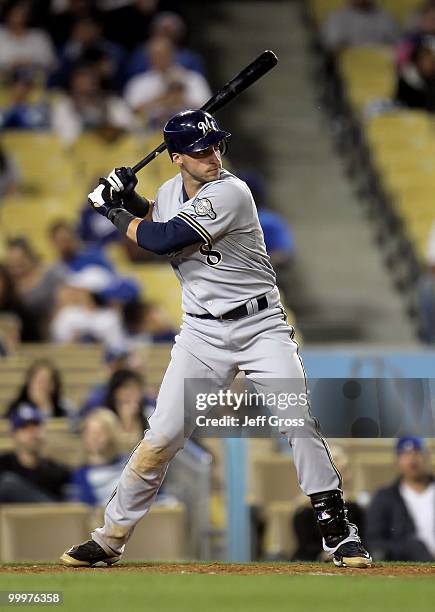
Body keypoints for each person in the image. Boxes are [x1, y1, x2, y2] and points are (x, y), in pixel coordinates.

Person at [60, 109, 371, 568]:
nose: (214, 156)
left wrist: (111, 209)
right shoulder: (170, 192)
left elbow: (163, 238)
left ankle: (338, 534)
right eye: (201, 150)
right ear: (177, 158)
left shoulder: (232, 191)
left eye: (216, 146)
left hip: (261, 326)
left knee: (296, 419)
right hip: (202, 333)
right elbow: (159, 214)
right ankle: (110, 538)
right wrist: (132, 198)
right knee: (161, 436)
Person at [366, 437, 435, 561]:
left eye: (417, 453)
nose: (412, 460)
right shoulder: (385, 497)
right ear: (397, 461)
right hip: (410, 563)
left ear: (427, 457)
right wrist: (413, 550)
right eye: (406, 455)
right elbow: (374, 539)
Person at [124, 36, 211, 126]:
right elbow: (130, 113)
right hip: (150, 134)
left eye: (163, 54)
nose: (159, 59)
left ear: (173, 54)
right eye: (155, 55)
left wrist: (180, 98)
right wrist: (161, 99)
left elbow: (207, 109)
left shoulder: (192, 79)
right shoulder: (138, 82)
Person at [0, 404, 70, 503]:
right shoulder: (3, 464)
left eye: (36, 426)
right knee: (8, 484)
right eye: (25, 428)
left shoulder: (56, 471)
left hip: (48, 517)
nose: (32, 433)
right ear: (14, 434)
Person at [5, 237, 66, 340]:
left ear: (30, 257)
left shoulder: (50, 273)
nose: (16, 265)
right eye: (12, 262)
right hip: (22, 334)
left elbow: (64, 297)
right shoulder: (6, 281)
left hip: (51, 328)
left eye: (20, 260)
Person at [70, 409, 128, 506]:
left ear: (112, 435)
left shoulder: (130, 463)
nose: (94, 437)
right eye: (89, 433)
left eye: (99, 433)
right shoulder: (80, 474)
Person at [0, 1, 56, 79]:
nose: (18, 18)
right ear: (7, 15)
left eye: (22, 14)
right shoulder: (1, 34)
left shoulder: (40, 36)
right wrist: (11, 64)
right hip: (4, 84)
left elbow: (51, 63)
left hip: (36, 84)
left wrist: (31, 63)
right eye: (15, 13)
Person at [322, 0, 400, 53]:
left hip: (381, 66)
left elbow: (397, 45)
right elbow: (333, 46)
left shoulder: (386, 17)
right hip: (350, 66)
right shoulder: (337, 18)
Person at [6, 358, 73, 419]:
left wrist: (46, 406)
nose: (40, 385)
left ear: (53, 385)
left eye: (45, 381)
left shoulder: (64, 406)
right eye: (37, 380)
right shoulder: (18, 407)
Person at [395, 39, 435, 111]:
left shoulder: (432, 79)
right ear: (417, 61)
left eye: (431, 61)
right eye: (426, 60)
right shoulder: (406, 79)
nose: (430, 64)